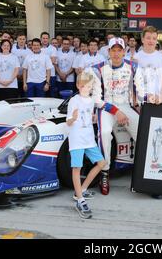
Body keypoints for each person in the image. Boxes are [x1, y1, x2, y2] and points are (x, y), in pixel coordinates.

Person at [88, 37, 142, 195]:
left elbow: (140, 91)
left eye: (120, 50)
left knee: (143, 131)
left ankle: (142, 169)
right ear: (108, 51)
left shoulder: (133, 66)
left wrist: (148, 98)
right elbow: (97, 100)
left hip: (126, 105)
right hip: (106, 107)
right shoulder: (97, 68)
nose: (117, 53)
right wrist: (115, 111)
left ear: (124, 51)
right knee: (104, 133)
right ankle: (104, 172)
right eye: (114, 50)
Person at [67, 72, 107, 219]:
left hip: (89, 139)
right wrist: (73, 118)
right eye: (84, 85)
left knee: (102, 163)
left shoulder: (91, 101)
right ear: (78, 85)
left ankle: (82, 190)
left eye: (89, 86)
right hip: (77, 139)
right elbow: (68, 122)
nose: (86, 88)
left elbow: (88, 118)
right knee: (76, 168)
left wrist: (93, 118)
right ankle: (80, 200)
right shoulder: (74, 100)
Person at [133, 26, 162, 104]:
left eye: (154, 38)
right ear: (142, 39)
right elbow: (134, 82)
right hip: (142, 100)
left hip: (158, 100)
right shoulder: (136, 58)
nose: (151, 41)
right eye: (148, 38)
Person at [40, 32, 58, 97]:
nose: (45, 40)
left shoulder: (53, 48)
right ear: (41, 39)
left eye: (46, 38)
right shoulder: (38, 48)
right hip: (41, 76)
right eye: (43, 38)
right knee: (42, 95)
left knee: (51, 95)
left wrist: (41, 60)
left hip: (51, 75)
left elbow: (53, 61)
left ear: (49, 39)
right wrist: (48, 59)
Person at [12, 33, 31, 97]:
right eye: (20, 39)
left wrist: (24, 75)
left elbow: (29, 65)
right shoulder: (11, 49)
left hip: (25, 78)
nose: (21, 41)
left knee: (24, 96)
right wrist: (16, 74)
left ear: (25, 40)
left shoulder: (29, 51)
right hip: (14, 77)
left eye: (23, 39)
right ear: (17, 39)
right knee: (15, 96)